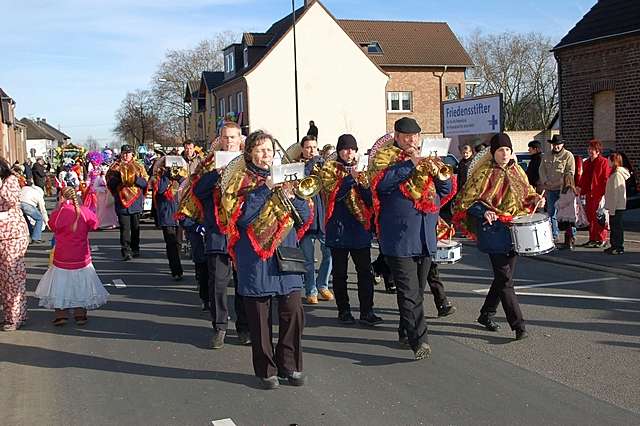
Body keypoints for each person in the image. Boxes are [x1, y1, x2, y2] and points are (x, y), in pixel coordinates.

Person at [222, 130, 310, 389]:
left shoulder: (290, 177)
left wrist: (295, 196)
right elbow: (241, 218)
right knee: (260, 319)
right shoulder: (238, 180)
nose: (266, 155)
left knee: (292, 311)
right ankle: (266, 370)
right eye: (260, 150)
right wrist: (266, 189)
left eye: (269, 150)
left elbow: (305, 218)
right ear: (249, 152)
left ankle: (290, 365)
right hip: (255, 257)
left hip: (287, 253)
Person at [369, 118, 455, 360]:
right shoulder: (384, 158)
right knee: (409, 293)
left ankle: (405, 331)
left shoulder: (429, 157)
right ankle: (420, 341)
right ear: (396, 136)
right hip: (398, 238)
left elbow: (445, 192)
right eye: (406, 136)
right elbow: (380, 185)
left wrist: (441, 173)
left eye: (415, 136)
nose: (411, 140)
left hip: (425, 236)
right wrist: (410, 164)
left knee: (415, 290)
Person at [454, 133, 544, 340]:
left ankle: (486, 314)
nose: (505, 154)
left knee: (504, 278)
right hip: (493, 231)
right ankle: (518, 325)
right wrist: (483, 211)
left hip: (515, 230)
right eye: (501, 150)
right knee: (505, 279)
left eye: (508, 150)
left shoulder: (517, 170)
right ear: (493, 153)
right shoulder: (483, 173)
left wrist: (536, 198)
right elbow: (465, 201)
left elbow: (526, 193)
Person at [194, 122, 250, 348]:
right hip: (218, 233)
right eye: (225, 138)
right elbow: (197, 191)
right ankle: (219, 327)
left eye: (233, 138)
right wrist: (215, 174)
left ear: (240, 140)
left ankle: (244, 327)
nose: (229, 142)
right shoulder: (209, 163)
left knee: (243, 284)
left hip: (243, 233)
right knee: (218, 283)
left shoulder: (249, 162)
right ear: (220, 139)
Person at [319, 134, 381, 326]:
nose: (349, 152)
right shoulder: (329, 169)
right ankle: (344, 310)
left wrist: (362, 182)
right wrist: (350, 179)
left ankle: (367, 310)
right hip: (338, 228)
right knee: (340, 274)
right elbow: (332, 195)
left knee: (365, 272)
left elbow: (370, 199)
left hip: (360, 228)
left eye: (352, 149)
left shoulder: (363, 169)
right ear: (339, 151)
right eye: (345, 149)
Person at [34, 187, 109, 325]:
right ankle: (80, 314)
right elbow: (95, 224)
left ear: (62, 197)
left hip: (62, 256)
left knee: (61, 285)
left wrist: (60, 206)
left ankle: (61, 314)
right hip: (81, 256)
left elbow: (52, 226)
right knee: (81, 285)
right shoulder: (85, 212)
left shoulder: (59, 213)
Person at [297, 135, 334, 305]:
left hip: (324, 218)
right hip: (307, 221)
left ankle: (323, 285)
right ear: (302, 149)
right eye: (308, 147)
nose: (312, 151)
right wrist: (309, 166)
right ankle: (311, 289)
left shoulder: (323, 165)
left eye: (314, 147)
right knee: (309, 258)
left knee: (329, 255)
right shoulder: (297, 167)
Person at [0, 156, 30, 331]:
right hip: (2, 235)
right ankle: (11, 315)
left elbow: (12, 201)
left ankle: (15, 318)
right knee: (4, 280)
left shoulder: (10, 180)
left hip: (13, 235)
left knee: (12, 276)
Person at [107, 144, 149, 261]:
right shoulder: (115, 167)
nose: (126, 155)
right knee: (125, 228)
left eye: (128, 153)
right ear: (121, 154)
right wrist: (118, 178)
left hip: (135, 200)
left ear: (132, 154)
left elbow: (145, 183)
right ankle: (126, 250)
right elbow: (110, 184)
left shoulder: (139, 166)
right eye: (124, 153)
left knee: (135, 227)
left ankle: (135, 248)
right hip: (121, 200)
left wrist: (135, 179)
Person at [152, 157, 184, 280]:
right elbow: (160, 190)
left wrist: (177, 176)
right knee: (171, 243)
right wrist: (166, 175)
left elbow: (187, 185)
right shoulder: (158, 177)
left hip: (179, 214)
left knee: (178, 243)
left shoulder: (180, 175)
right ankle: (176, 270)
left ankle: (177, 265)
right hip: (167, 215)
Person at [539, 135, 575, 242]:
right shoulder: (547, 155)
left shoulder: (568, 156)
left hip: (563, 190)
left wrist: (556, 183)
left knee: (567, 215)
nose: (556, 147)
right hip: (550, 189)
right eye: (554, 144)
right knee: (551, 213)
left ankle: (570, 237)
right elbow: (542, 170)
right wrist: (545, 182)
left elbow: (570, 173)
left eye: (558, 144)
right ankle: (554, 235)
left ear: (562, 144)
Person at [577, 139, 611, 248]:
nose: (590, 151)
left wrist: (604, 193)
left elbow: (605, 178)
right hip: (589, 194)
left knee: (599, 217)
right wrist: (580, 187)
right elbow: (584, 178)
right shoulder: (587, 162)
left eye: (593, 149)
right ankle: (592, 238)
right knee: (590, 217)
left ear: (598, 151)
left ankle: (602, 238)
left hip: (599, 193)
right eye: (589, 149)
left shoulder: (603, 162)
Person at [604, 153, 630, 255]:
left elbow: (615, 193)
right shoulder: (614, 174)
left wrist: (612, 209)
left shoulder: (617, 175)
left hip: (617, 206)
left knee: (617, 227)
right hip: (615, 206)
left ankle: (619, 247)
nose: (608, 162)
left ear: (613, 161)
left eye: (609, 160)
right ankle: (614, 245)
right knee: (614, 226)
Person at [20, 180, 48, 244]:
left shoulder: (25, 188)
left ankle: (31, 234)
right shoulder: (39, 195)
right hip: (27, 205)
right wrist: (47, 222)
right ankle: (36, 237)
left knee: (26, 220)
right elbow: (43, 210)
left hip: (18, 203)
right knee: (39, 218)